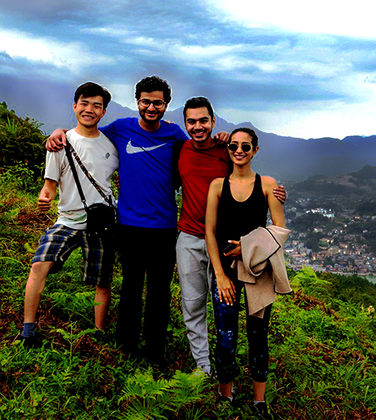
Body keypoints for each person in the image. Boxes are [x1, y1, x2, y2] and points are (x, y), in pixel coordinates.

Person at [46, 75, 190, 364]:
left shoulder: (175, 134)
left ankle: (154, 352)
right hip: (129, 225)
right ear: (137, 102)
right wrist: (58, 131)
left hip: (164, 227)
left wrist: (223, 139)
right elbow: (86, 130)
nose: (151, 107)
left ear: (166, 105)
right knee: (131, 288)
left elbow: (201, 147)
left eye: (158, 103)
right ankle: (126, 347)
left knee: (160, 293)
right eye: (146, 101)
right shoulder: (121, 128)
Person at [176, 97, 285, 377]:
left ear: (213, 122)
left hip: (226, 245)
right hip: (189, 236)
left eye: (203, 120)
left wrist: (277, 195)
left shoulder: (226, 149)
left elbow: (250, 178)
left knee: (224, 308)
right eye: (191, 121)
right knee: (193, 304)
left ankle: (228, 367)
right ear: (185, 123)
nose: (197, 126)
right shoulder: (179, 147)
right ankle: (205, 367)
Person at [16, 82, 119, 347]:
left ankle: (98, 332)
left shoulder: (111, 145)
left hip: (101, 221)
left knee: (102, 280)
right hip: (68, 219)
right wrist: (44, 197)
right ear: (74, 106)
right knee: (39, 265)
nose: (89, 110)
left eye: (97, 105)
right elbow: (49, 185)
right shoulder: (60, 143)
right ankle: (28, 328)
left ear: (104, 112)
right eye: (84, 103)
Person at [205, 127, 288, 419]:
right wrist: (220, 275)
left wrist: (249, 246)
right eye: (234, 146)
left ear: (255, 150)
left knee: (258, 335)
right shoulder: (217, 185)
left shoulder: (267, 185)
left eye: (246, 146)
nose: (239, 151)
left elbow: (279, 230)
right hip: (225, 272)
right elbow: (210, 232)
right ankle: (225, 395)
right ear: (229, 149)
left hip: (258, 270)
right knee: (225, 336)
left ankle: (259, 401)